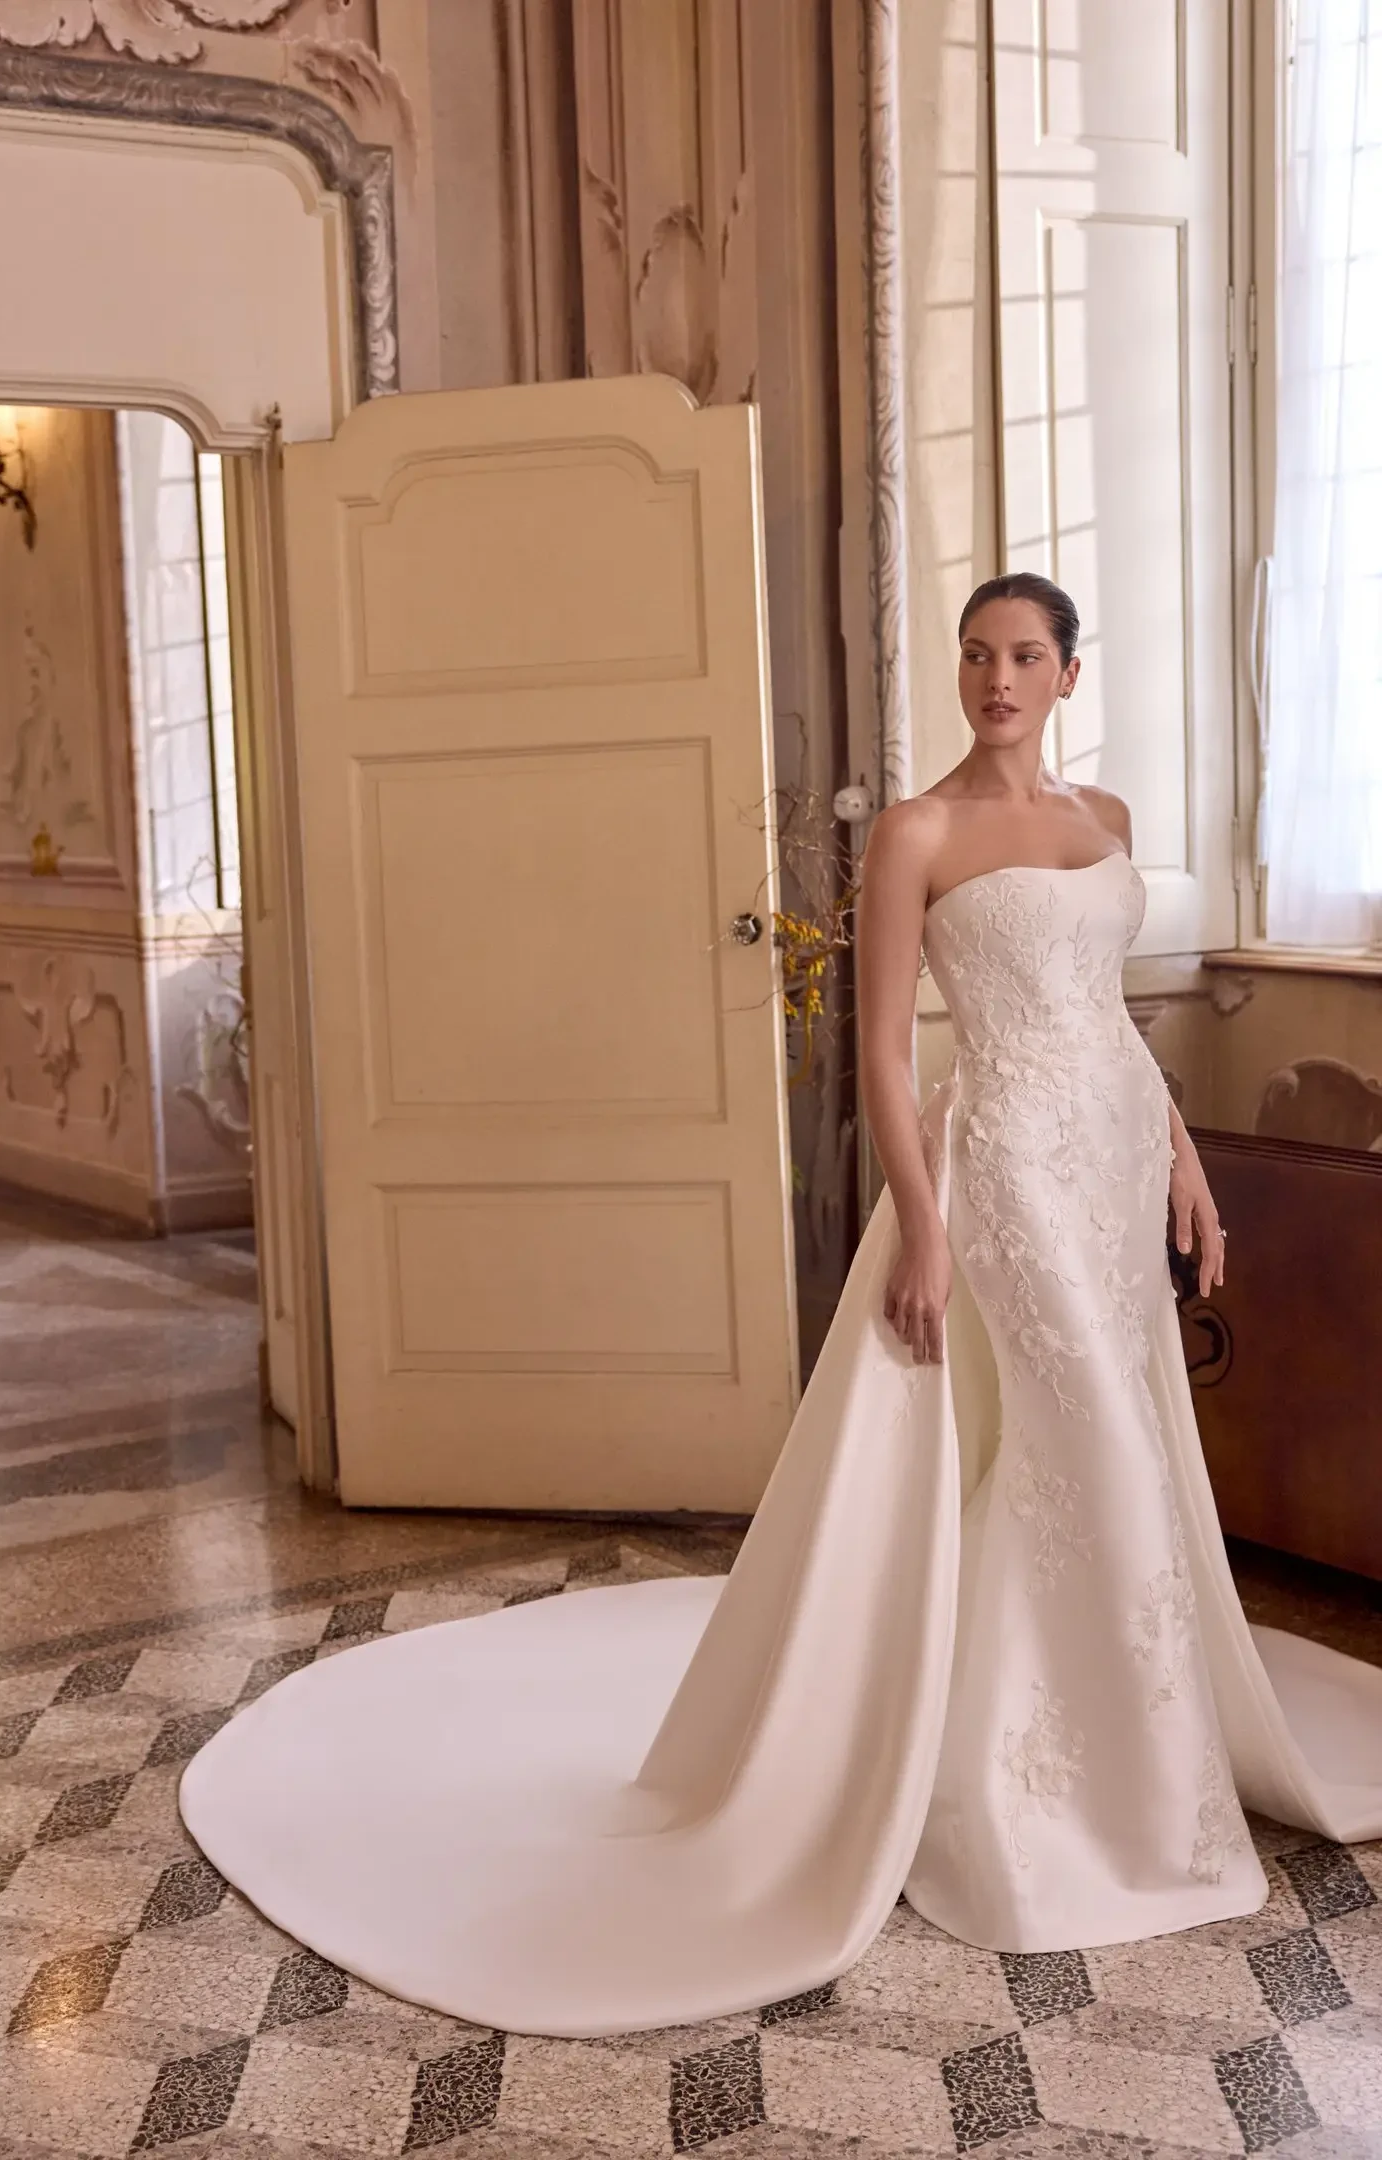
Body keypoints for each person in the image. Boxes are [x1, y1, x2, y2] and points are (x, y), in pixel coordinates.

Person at [180, 573, 1382, 2040]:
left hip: (1114, 1165)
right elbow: (881, 1053)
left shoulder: (1109, 824)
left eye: (1021, 656)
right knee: (1087, 1459)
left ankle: (1137, 1760)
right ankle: (1043, 1796)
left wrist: (1185, 1161)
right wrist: (926, 1227)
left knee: (1117, 1449)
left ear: (1070, 674)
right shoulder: (917, 834)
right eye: (974, 656)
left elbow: (1110, 1023)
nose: (993, 679)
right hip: (998, 1173)